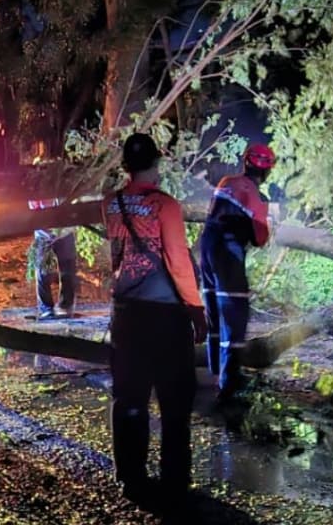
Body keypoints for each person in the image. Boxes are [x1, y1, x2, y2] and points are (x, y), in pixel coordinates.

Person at [102, 133, 208, 512]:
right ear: (156, 163)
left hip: (126, 313)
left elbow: (116, 255)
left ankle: (130, 477)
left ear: (126, 166)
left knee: (129, 397)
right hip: (164, 317)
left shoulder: (111, 204)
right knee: (174, 401)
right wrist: (196, 309)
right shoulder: (166, 206)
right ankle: (174, 481)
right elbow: (178, 261)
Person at [200, 144, 276, 401]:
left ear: (246, 162)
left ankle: (214, 372)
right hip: (229, 256)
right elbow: (260, 238)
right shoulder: (258, 197)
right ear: (268, 171)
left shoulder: (226, 181)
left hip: (207, 250)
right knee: (234, 318)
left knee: (214, 313)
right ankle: (229, 385)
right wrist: (269, 224)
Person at [31, 228, 78, 319]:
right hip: (42, 234)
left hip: (65, 232)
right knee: (42, 271)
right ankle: (46, 308)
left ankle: (65, 305)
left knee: (68, 270)